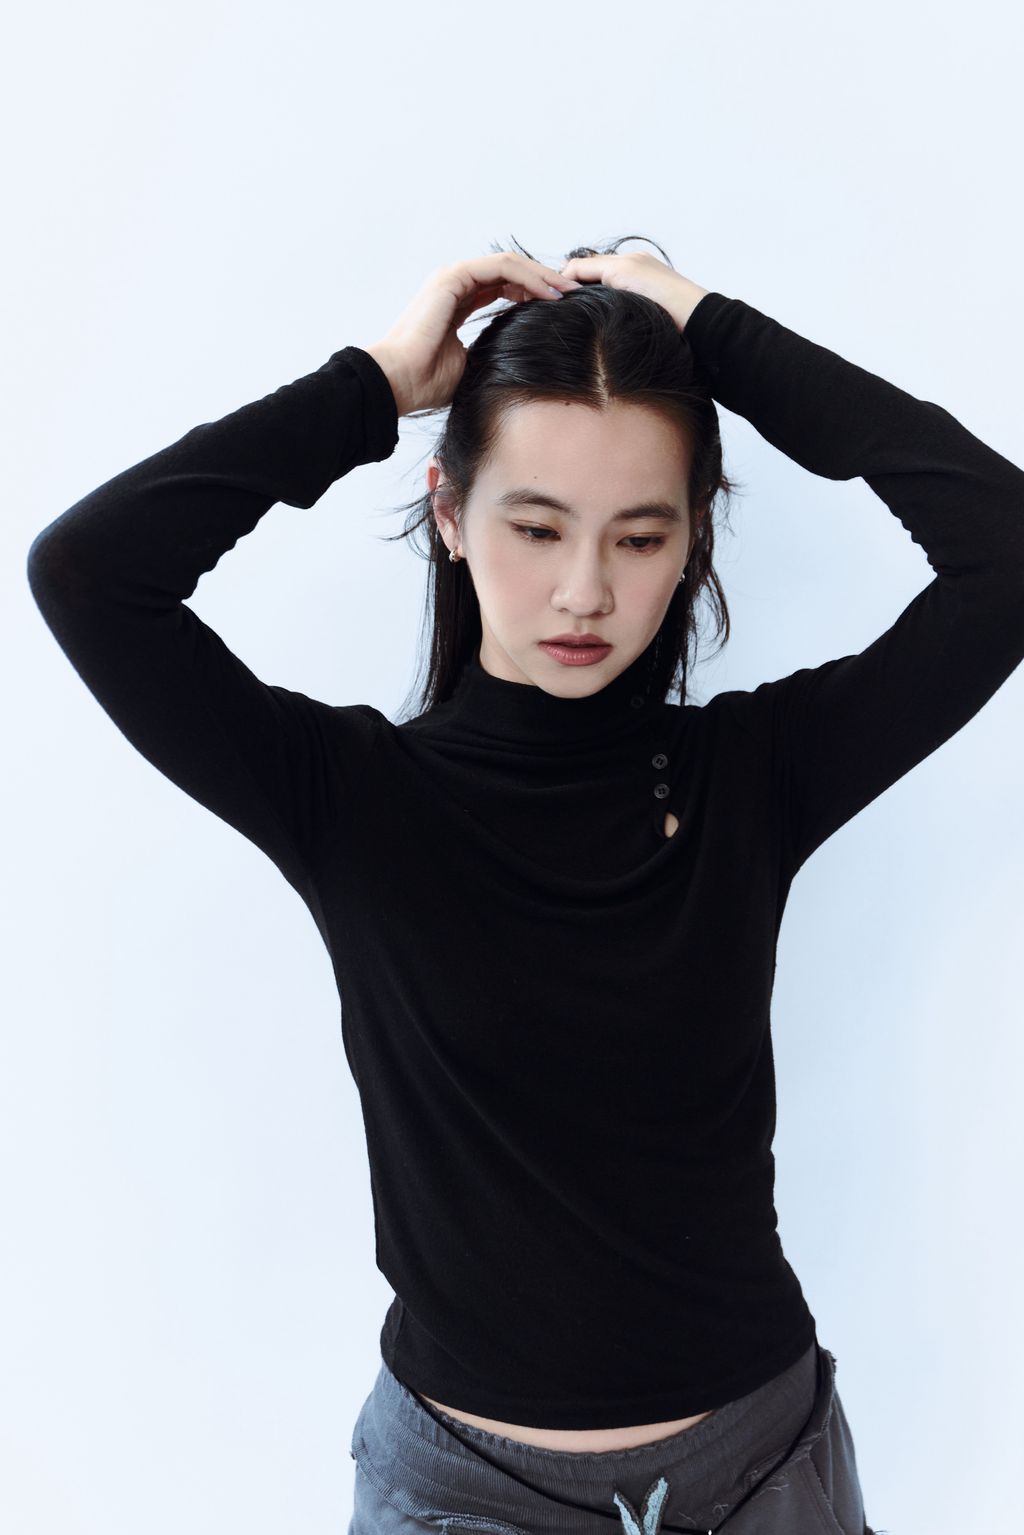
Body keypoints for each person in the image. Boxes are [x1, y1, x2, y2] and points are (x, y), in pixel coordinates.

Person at [28, 237, 1024, 1532]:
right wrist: (378, 383)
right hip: (464, 1492)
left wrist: (714, 331)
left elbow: (1006, 549)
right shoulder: (347, 796)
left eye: (641, 534)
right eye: (537, 526)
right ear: (448, 512)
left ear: (693, 539)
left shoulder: (756, 776)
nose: (584, 590)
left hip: (764, 1474)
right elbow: (89, 574)